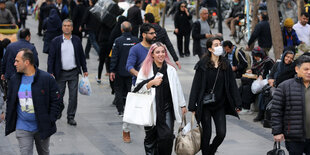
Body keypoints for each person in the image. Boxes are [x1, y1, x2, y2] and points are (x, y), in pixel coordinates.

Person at [188, 37, 241, 155]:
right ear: (210, 49)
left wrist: (238, 103)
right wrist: (192, 106)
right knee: (206, 135)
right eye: (216, 45)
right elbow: (196, 85)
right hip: (205, 105)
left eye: (220, 44)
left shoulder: (225, 64)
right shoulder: (203, 64)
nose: (219, 47)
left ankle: (210, 151)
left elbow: (232, 84)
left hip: (220, 105)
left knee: (221, 133)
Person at [5, 48, 61, 155]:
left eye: (17, 61)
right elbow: (10, 101)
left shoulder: (46, 79)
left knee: (44, 153)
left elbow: (57, 101)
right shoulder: (14, 79)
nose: (14, 63)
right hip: (23, 126)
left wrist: (50, 119)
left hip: (42, 127)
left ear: (27, 62)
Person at [135, 42, 187, 154]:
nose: (161, 54)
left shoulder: (171, 70)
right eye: (157, 52)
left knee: (167, 136)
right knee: (150, 138)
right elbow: (137, 88)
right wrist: (151, 83)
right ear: (152, 54)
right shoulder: (145, 69)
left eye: (163, 52)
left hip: (167, 107)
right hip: (150, 108)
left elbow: (177, 87)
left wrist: (182, 104)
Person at [48, 19, 88, 126]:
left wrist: (85, 69)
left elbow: (81, 55)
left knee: (73, 96)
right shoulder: (56, 41)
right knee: (59, 95)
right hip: (60, 73)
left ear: (72, 28)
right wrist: (50, 72)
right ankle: (58, 110)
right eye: (65, 25)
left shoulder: (76, 40)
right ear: (62, 28)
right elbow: (51, 58)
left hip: (73, 72)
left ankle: (71, 116)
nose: (66, 27)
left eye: (69, 25)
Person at [272, 55, 310, 155]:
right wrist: (277, 132)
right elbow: (276, 110)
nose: (309, 72)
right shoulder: (285, 86)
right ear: (297, 69)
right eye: (306, 69)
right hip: (294, 136)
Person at [110, 21, 140, 142]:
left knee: (118, 90)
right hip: (132, 72)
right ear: (131, 29)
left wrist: (112, 70)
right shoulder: (136, 41)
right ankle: (131, 110)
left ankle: (120, 110)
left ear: (122, 30)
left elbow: (114, 56)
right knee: (131, 92)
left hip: (120, 71)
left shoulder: (117, 41)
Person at [239, 47, 274, 115]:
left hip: (264, 81)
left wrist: (262, 76)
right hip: (256, 78)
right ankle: (240, 105)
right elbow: (255, 69)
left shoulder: (268, 61)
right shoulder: (256, 61)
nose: (255, 58)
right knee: (244, 82)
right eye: (254, 57)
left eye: (257, 56)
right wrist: (251, 71)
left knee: (247, 86)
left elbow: (271, 73)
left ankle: (247, 108)